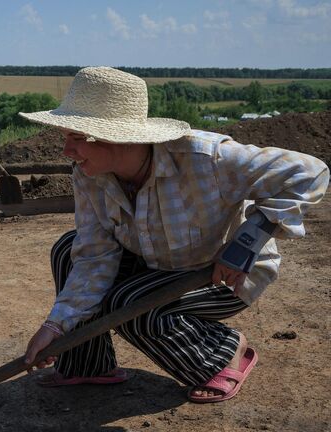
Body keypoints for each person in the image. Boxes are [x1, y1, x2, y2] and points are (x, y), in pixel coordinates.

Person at [19, 67, 328, 403]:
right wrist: (56, 327)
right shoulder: (89, 176)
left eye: (77, 138)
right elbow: (95, 255)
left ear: (117, 136)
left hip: (220, 274)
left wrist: (245, 243)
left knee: (132, 306)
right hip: (155, 263)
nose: (67, 150)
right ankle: (86, 363)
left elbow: (310, 173)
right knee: (69, 249)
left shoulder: (205, 158)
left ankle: (224, 353)